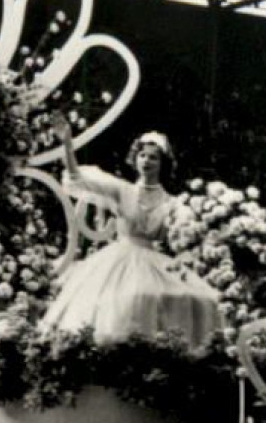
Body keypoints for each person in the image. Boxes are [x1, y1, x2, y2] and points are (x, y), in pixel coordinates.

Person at [39, 121, 224, 347]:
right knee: (130, 297)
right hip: (119, 261)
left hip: (154, 261)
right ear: (135, 158)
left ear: (162, 164)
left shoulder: (173, 203)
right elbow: (76, 177)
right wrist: (67, 143)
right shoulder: (122, 190)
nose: (146, 161)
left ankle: (159, 355)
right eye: (142, 155)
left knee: (194, 298)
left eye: (153, 157)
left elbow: (186, 236)